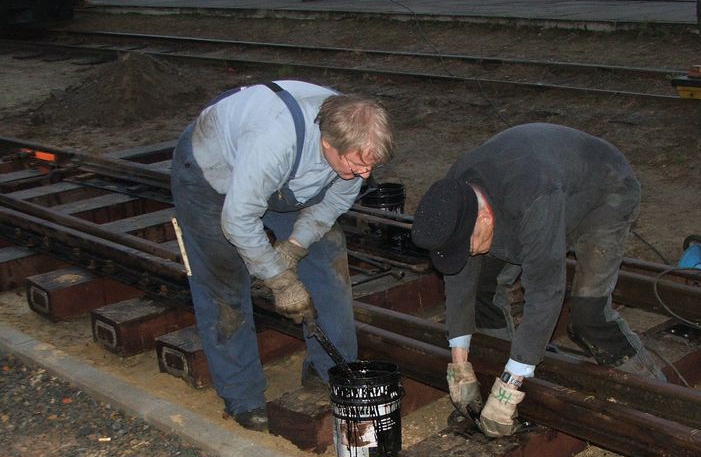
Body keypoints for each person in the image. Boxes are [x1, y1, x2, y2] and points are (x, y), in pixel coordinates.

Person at [411, 123, 665, 438]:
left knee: (588, 316)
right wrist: (459, 363)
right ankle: (505, 366)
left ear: (485, 218)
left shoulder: (533, 196)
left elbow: (546, 290)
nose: (471, 253)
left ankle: (657, 399)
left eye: (470, 244)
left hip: (604, 192)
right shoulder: (456, 191)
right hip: (535, 191)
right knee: (482, 291)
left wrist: (509, 389)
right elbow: (461, 276)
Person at [170, 80, 393, 432]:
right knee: (224, 283)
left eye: (370, 166)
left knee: (328, 256)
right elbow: (238, 220)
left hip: (285, 181)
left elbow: (334, 201)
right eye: (356, 165)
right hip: (212, 174)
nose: (365, 175)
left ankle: (329, 371)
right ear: (327, 143)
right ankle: (242, 396)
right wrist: (280, 280)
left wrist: (295, 246)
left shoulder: (354, 145)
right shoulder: (274, 142)